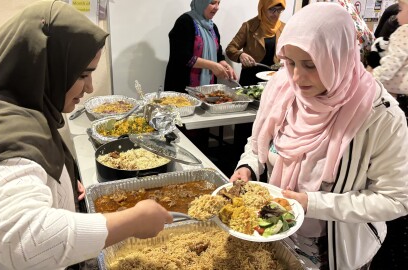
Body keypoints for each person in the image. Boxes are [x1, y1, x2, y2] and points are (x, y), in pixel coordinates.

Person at [0, 1, 172, 269]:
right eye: (83, 74)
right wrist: (134, 220)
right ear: (46, 65)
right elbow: (26, 243)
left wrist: (61, 187)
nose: (90, 87)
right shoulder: (7, 131)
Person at [229, 3, 408, 269]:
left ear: (339, 57)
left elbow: (395, 198)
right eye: (289, 62)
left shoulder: (379, 116)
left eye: (311, 65)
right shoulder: (281, 89)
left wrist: (311, 203)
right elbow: (259, 144)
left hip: (335, 249)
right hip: (272, 231)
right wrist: (248, 167)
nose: (297, 77)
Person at [163, 0, 236, 151]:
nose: (216, 7)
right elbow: (181, 57)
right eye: (212, 2)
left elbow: (217, 52)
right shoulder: (185, 22)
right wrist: (212, 65)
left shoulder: (211, 26)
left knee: (202, 132)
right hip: (183, 89)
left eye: (218, 3)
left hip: (204, 91)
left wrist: (223, 63)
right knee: (183, 136)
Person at [225, 0, 286, 86]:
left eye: (279, 10)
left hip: (274, 79)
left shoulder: (284, 28)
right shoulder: (249, 26)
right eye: (271, 9)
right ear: (263, 8)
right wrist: (240, 55)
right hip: (250, 78)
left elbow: (291, 52)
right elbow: (230, 49)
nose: (275, 13)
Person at [372, 0, 408, 99]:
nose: (396, 16)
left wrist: (370, 79)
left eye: (400, 10)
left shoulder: (404, 31)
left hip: (396, 94)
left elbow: (391, 64)